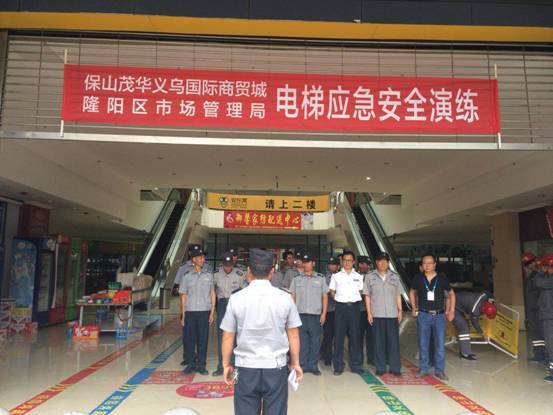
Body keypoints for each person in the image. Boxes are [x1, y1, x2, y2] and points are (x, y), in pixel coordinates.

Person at [220, 248, 303, 415]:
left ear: (249, 270)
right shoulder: (285, 298)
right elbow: (293, 334)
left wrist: (226, 365)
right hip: (276, 368)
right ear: (271, 271)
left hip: (246, 368)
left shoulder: (236, 298)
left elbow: (228, 336)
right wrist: (295, 363)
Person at [409, 253, 455, 381]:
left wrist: (451, 310)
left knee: (439, 344)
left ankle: (439, 370)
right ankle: (423, 369)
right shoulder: (418, 278)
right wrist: (413, 307)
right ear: (422, 265)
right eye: (424, 263)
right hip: (423, 315)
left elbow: (451, 294)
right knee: (423, 343)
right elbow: (412, 291)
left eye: (430, 263)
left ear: (435, 264)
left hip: (439, 316)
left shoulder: (442, 279)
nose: (427, 265)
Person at [364, 252, 403, 376]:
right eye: (380, 261)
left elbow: (398, 294)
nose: (383, 263)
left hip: (392, 315)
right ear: (376, 262)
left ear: (388, 263)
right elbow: (367, 296)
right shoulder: (370, 276)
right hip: (377, 314)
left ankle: (395, 368)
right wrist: (369, 313)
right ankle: (380, 368)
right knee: (378, 342)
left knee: (393, 342)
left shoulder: (395, 277)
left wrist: (400, 310)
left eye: (385, 261)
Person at [290, 254, 328, 376]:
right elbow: (292, 296)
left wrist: (324, 314)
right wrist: (292, 314)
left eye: (308, 262)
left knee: (315, 341)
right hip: (300, 315)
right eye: (304, 262)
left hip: (315, 315)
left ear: (313, 263)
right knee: (302, 342)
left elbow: (325, 296)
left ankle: (313, 365)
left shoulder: (321, 278)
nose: (305, 264)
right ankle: (303, 365)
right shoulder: (296, 279)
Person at [179, 247, 215, 375]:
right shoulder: (187, 277)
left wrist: (212, 312)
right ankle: (191, 364)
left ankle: (201, 365)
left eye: (203, 257)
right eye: (200, 257)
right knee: (190, 339)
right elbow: (183, 296)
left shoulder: (209, 275)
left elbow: (212, 293)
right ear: (194, 259)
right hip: (190, 312)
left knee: (203, 340)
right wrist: (183, 314)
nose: (203, 259)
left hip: (204, 312)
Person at [329, 250, 366, 375]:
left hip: (354, 308)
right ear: (341, 261)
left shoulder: (359, 276)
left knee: (355, 336)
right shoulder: (336, 276)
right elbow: (332, 291)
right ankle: (338, 366)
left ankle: (355, 365)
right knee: (339, 337)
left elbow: (361, 291)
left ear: (353, 262)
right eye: (345, 260)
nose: (347, 262)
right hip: (340, 308)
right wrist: (338, 299)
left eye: (349, 260)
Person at [212, 252, 247, 376]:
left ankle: (235, 365)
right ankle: (222, 365)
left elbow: (245, 291)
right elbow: (211, 291)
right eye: (226, 265)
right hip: (222, 305)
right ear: (222, 264)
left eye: (230, 265)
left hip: (236, 305)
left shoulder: (240, 274)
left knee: (236, 336)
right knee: (222, 335)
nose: (228, 268)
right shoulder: (216, 274)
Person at [452, 291, 496, 360]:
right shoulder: (475, 311)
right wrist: (481, 332)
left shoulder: (484, 297)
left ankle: (465, 351)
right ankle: (465, 353)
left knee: (465, 326)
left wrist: (493, 299)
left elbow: (486, 293)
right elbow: (475, 323)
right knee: (464, 328)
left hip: (459, 301)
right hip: (452, 306)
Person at [521, 252, 546, 363]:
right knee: (535, 333)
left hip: (539, 310)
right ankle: (539, 355)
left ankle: (546, 356)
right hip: (532, 310)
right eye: (527, 264)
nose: (529, 266)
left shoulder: (540, 275)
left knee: (542, 333)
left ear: (535, 262)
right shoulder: (531, 276)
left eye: (531, 263)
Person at [535, 253, 553, 383]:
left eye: (547, 266)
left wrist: (541, 271)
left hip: (550, 316)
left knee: (551, 343)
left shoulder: (549, 280)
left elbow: (538, 282)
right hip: (548, 315)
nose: (545, 269)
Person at [321, 257, 339, 366]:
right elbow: (324, 293)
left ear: (338, 266)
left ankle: (337, 357)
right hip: (328, 310)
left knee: (338, 335)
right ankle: (327, 357)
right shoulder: (323, 278)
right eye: (330, 264)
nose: (332, 266)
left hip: (339, 310)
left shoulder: (341, 276)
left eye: (334, 264)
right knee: (328, 334)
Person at [357, 256, 374, 366]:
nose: (367, 266)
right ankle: (359, 359)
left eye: (368, 264)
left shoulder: (373, 276)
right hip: (359, 310)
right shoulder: (354, 276)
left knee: (371, 335)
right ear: (359, 265)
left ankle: (371, 358)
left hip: (372, 311)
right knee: (358, 335)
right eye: (363, 264)